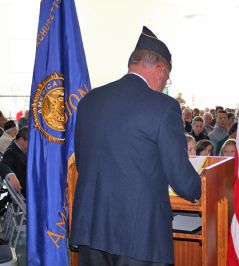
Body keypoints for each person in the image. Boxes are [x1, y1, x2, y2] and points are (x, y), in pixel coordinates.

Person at [71, 26, 201, 266]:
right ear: (160, 70)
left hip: (91, 229)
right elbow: (179, 176)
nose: (164, 84)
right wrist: (200, 187)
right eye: (167, 78)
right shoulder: (163, 107)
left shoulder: (89, 100)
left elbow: (82, 161)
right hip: (138, 236)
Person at [0, 127, 28, 196]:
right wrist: (10, 174)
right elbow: (3, 165)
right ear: (21, 140)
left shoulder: (18, 148)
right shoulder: (11, 152)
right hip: (27, 192)